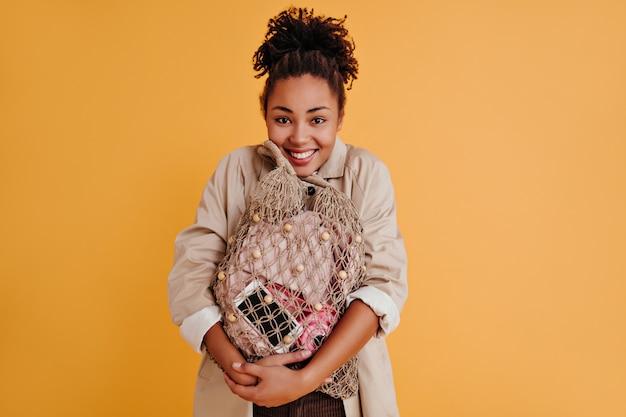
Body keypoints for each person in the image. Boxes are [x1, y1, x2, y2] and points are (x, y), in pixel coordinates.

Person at [168, 7, 408, 417]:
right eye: (283, 119)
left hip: (338, 396)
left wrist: (303, 379)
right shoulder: (237, 171)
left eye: (318, 119)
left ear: (340, 117)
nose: (299, 137)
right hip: (243, 392)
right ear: (265, 112)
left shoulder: (365, 174)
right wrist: (239, 368)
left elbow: (381, 288)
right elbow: (191, 276)